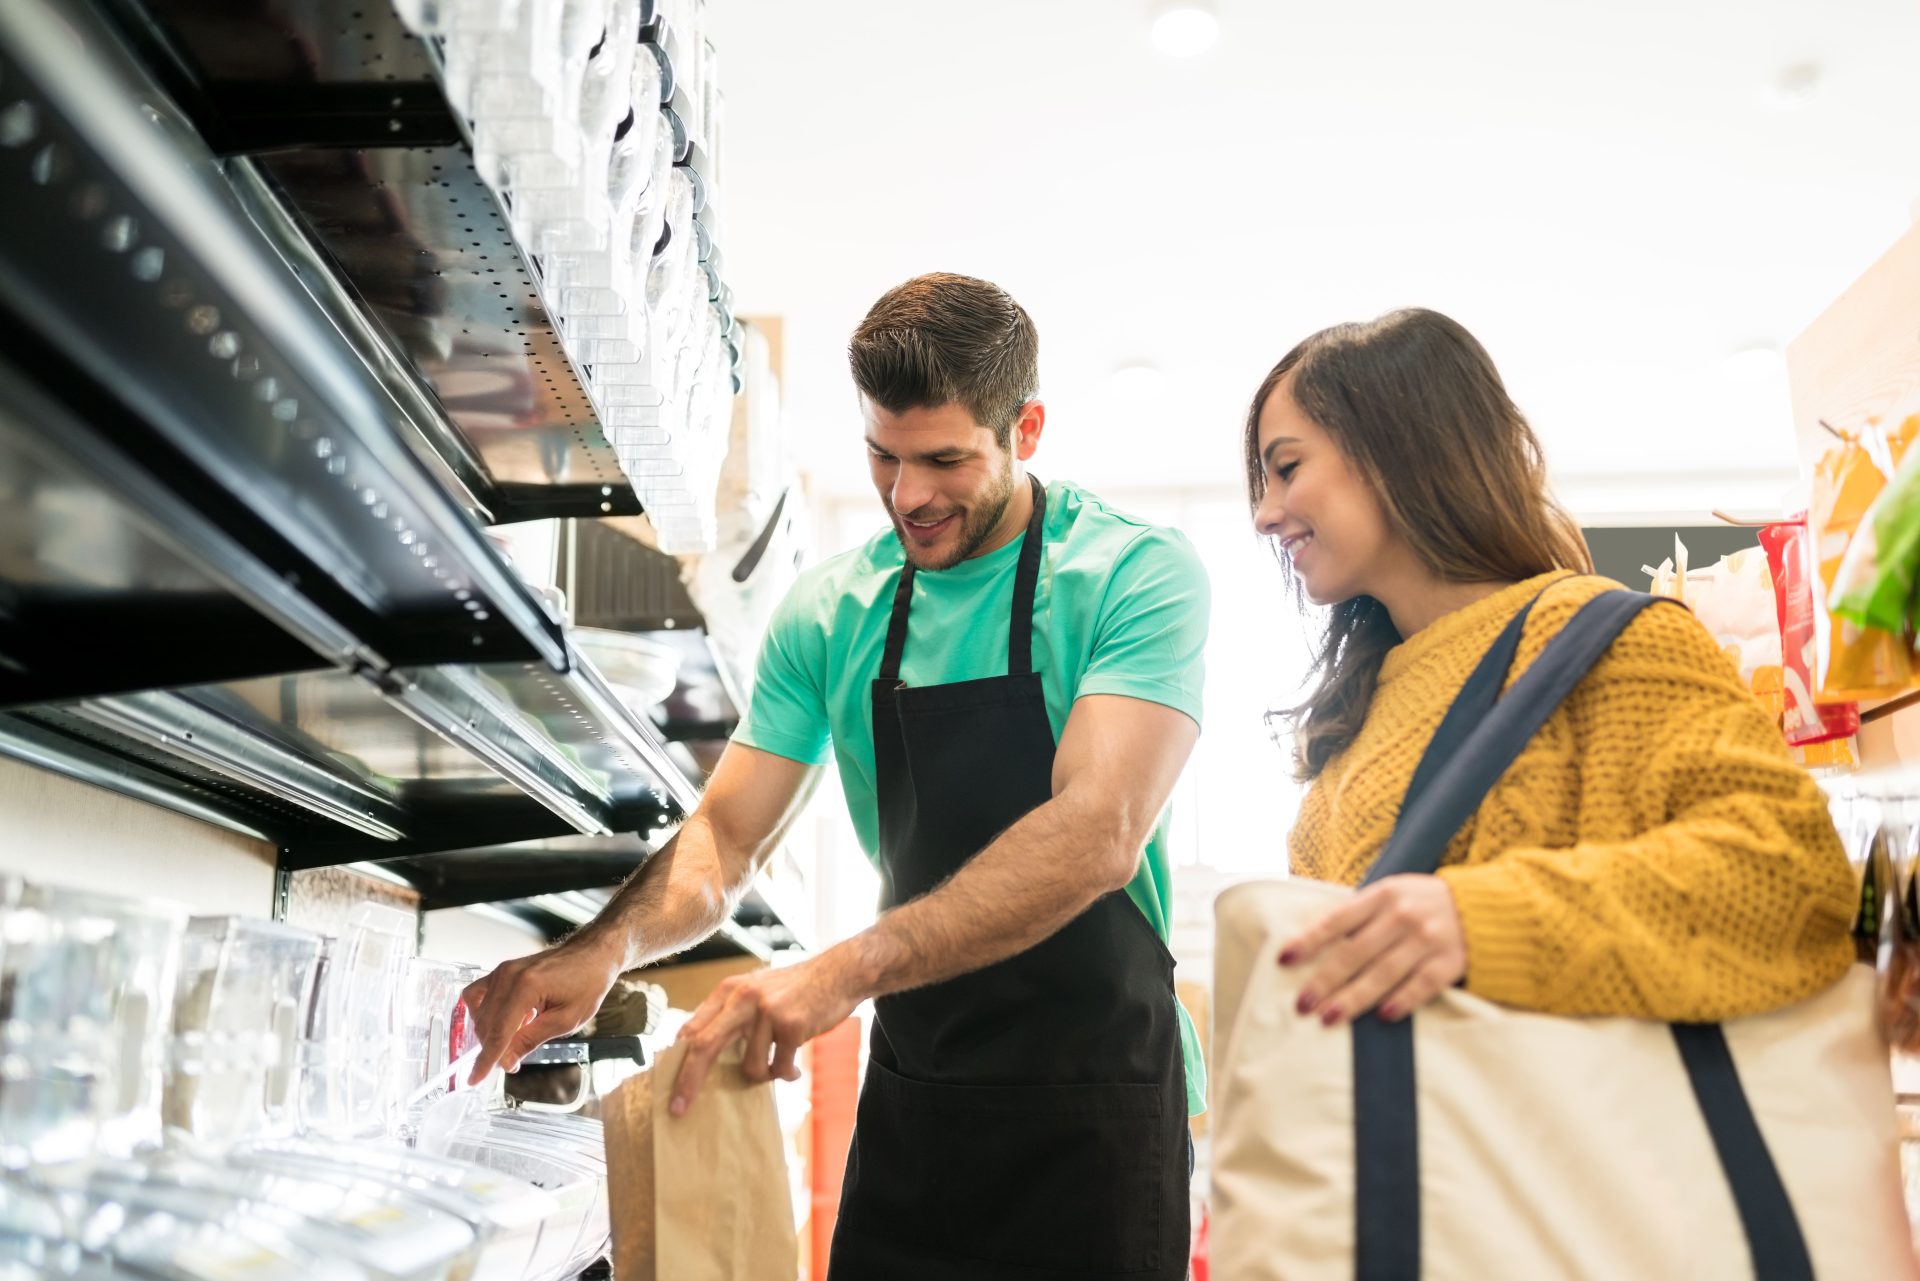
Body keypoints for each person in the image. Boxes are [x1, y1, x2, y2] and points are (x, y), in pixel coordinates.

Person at [463, 272, 1209, 1280]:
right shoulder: (831, 611)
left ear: (1025, 431)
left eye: (944, 460)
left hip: (1096, 1114)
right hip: (918, 1108)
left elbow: (1098, 832)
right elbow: (726, 837)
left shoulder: (1132, 573)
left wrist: (839, 972)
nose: (908, 496)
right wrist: (606, 948)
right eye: (883, 456)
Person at [1243, 307, 1855, 1028]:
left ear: (1396, 451)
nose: (1264, 514)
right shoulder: (1360, 706)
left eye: (1288, 468)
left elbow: (1796, 877)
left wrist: (1481, 923)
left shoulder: (1608, 642)